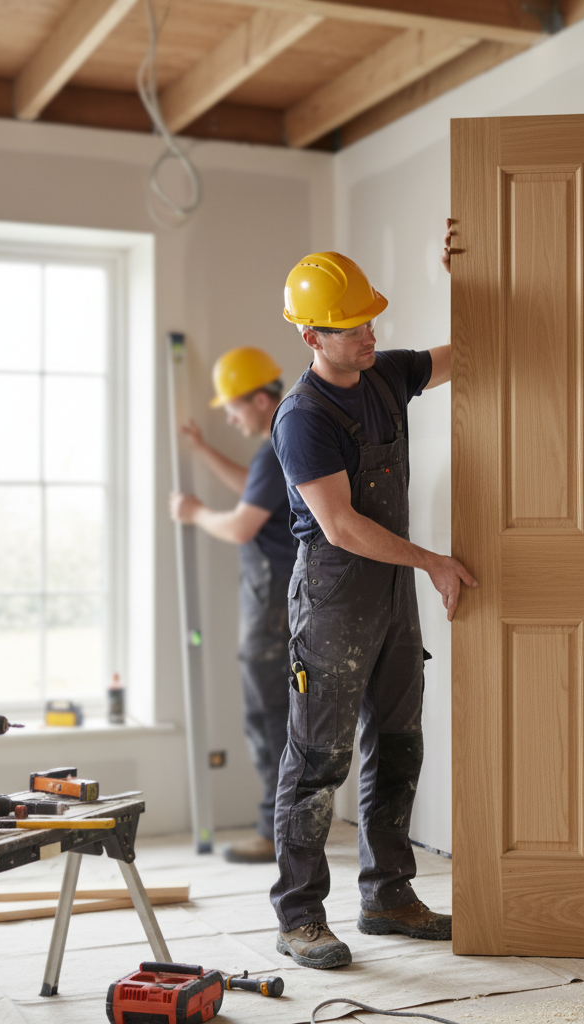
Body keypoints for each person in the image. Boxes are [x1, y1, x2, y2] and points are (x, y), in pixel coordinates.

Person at [269, 237, 478, 969]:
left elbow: (476, 350)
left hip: (388, 587)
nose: (369, 332)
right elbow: (343, 525)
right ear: (310, 336)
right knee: (317, 759)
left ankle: (389, 895)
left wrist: (469, 277)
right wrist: (432, 562)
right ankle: (299, 917)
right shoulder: (303, 415)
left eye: (369, 319)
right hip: (333, 589)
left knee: (399, 745)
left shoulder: (387, 375)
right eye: (350, 325)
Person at [169, 346, 297, 864]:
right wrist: (201, 451)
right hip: (282, 593)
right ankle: (285, 825)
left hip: (270, 599)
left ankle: (273, 831)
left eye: (234, 406)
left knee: (268, 712)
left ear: (262, 399)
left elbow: (244, 522)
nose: (228, 415)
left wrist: (196, 513)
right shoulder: (284, 442)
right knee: (276, 710)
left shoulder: (275, 446)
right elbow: (255, 491)